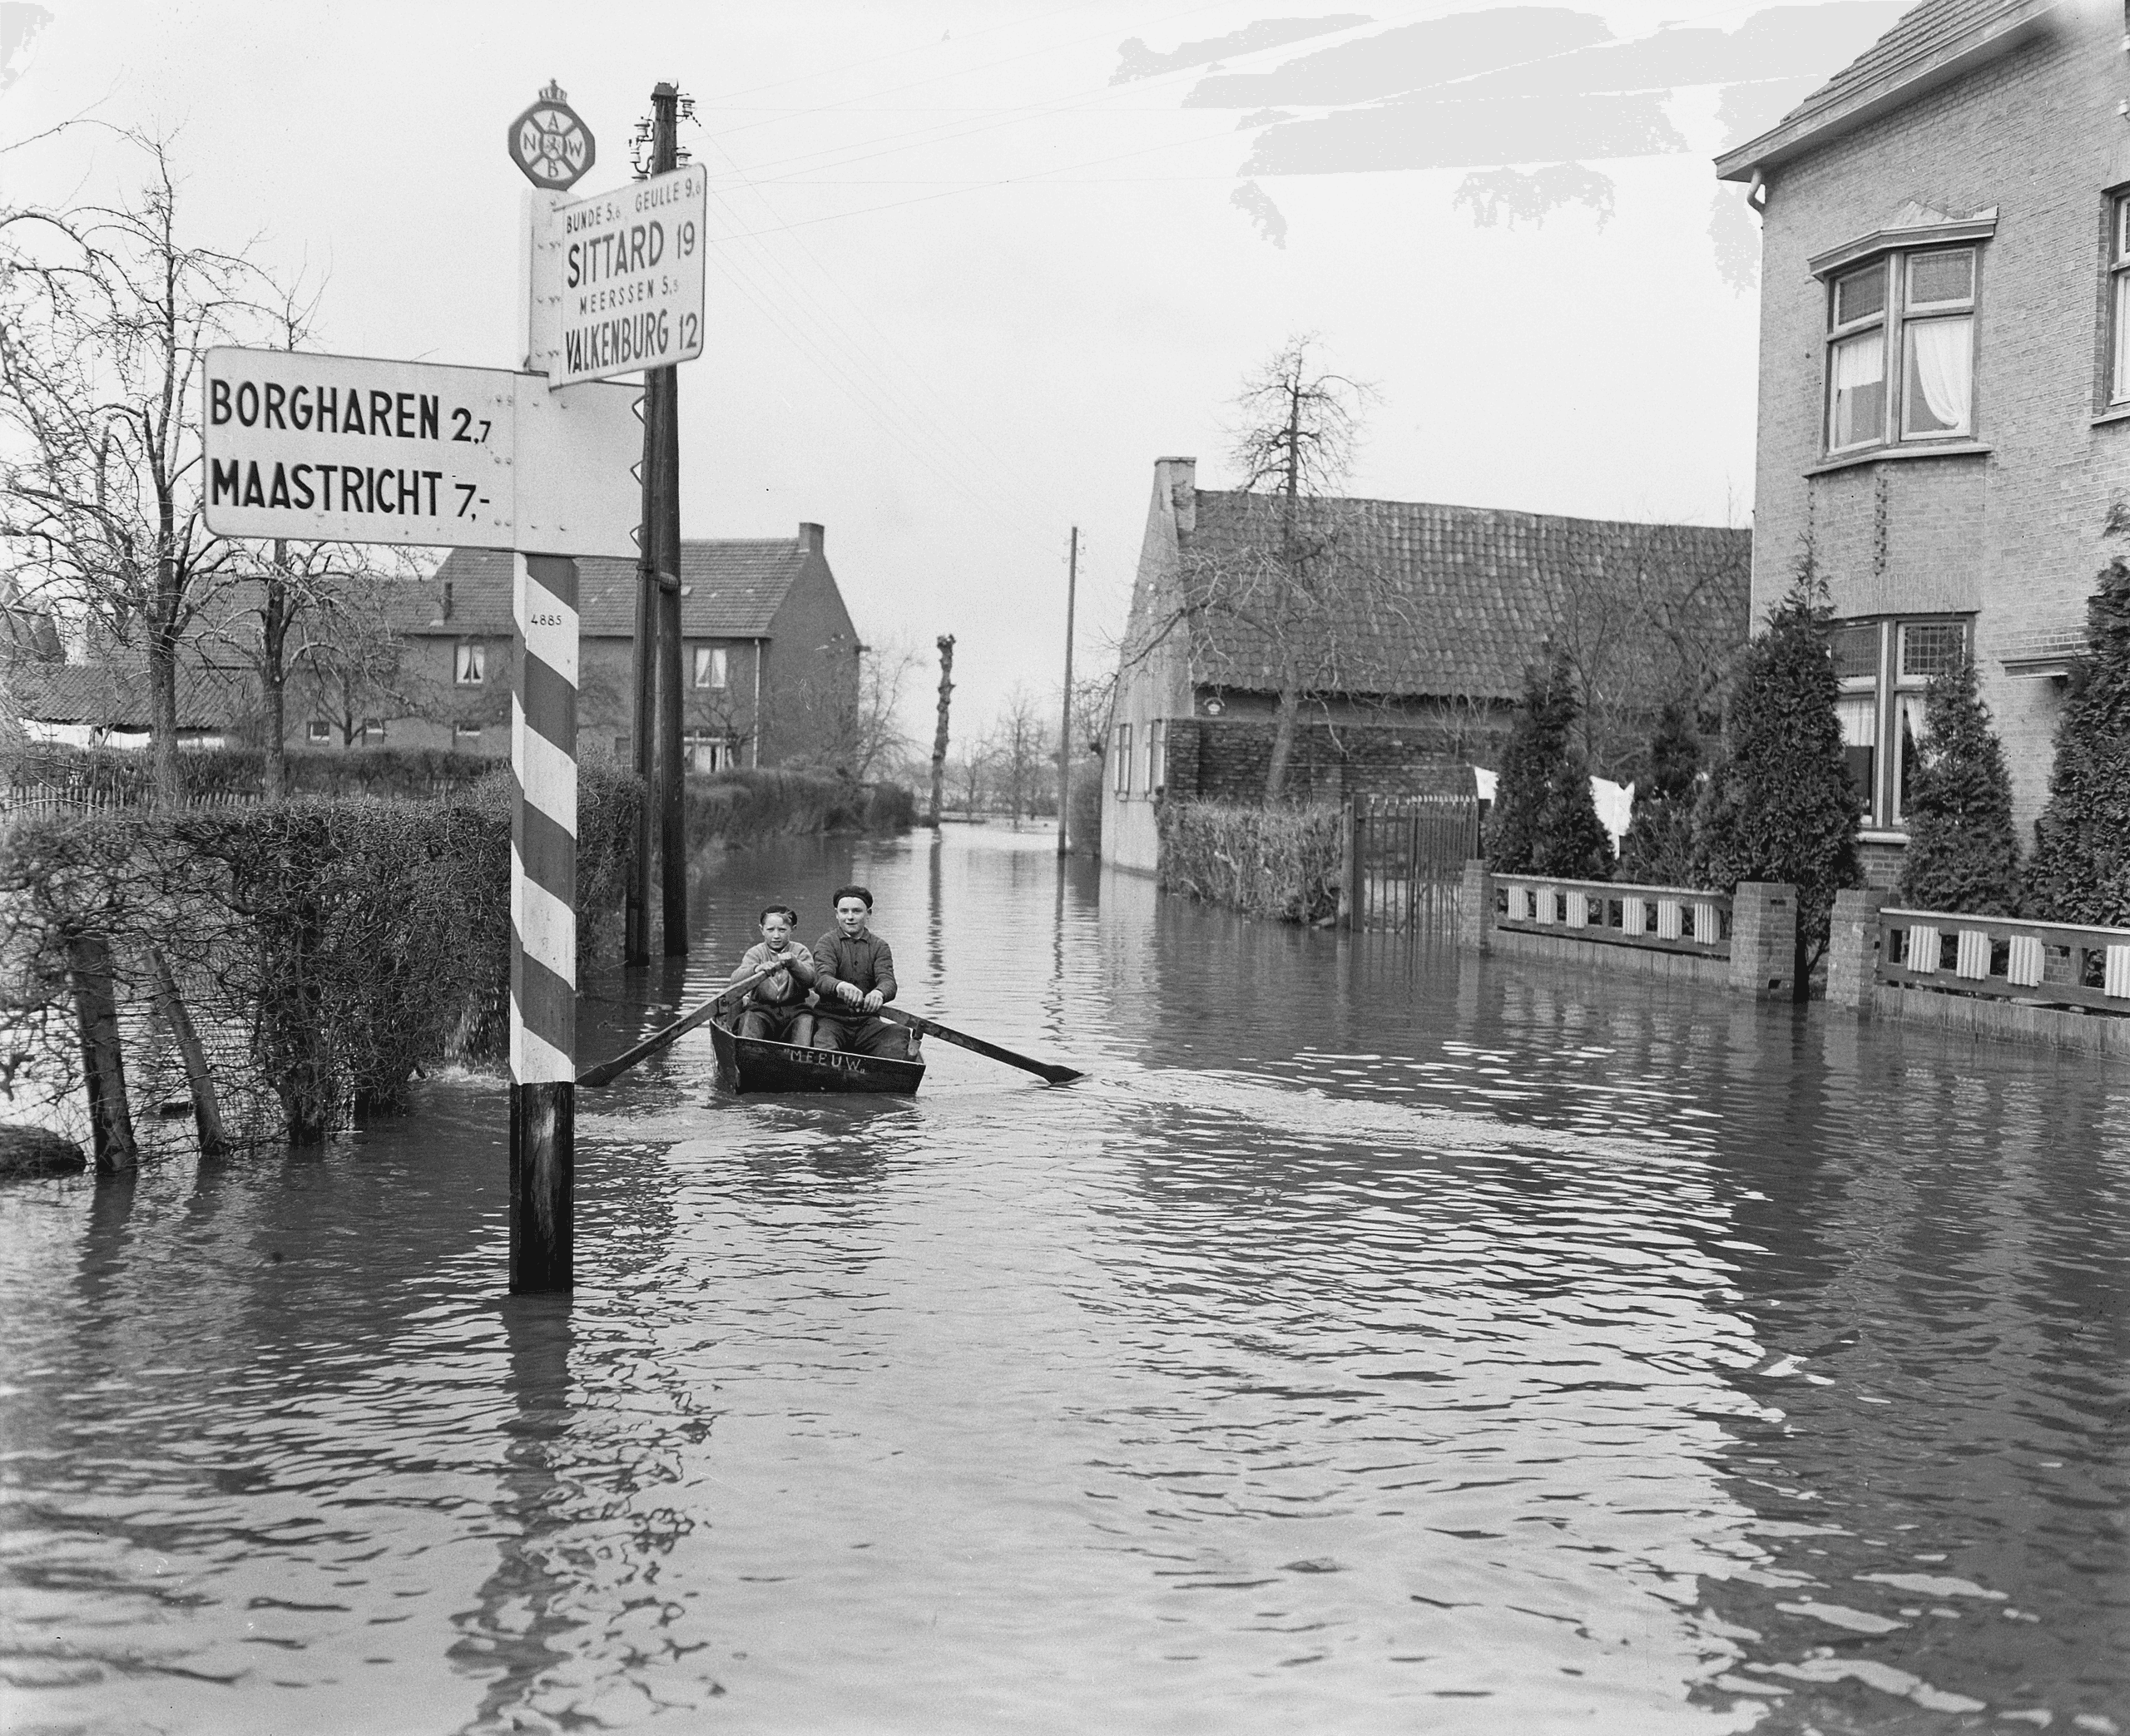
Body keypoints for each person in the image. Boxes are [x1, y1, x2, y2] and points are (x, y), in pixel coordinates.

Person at [805, 884, 915, 1060]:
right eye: (844, 911)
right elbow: (822, 979)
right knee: (823, 1043)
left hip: (867, 1023)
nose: (850, 917)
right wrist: (840, 987)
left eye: (856, 911)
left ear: (868, 914)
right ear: (836, 914)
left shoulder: (880, 947)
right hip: (831, 1021)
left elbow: (888, 981)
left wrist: (879, 993)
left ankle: (885, 1077)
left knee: (899, 1033)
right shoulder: (826, 943)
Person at [731, 905, 816, 1047]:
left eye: (782, 930)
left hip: (795, 1010)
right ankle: (749, 1056)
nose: (776, 936)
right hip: (762, 1009)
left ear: (792, 929)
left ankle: (799, 1062)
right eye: (770, 930)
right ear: (762, 930)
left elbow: (810, 980)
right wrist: (757, 969)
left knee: (806, 1021)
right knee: (749, 1020)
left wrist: (794, 964)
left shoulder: (800, 951)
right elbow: (735, 980)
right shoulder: (755, 953)